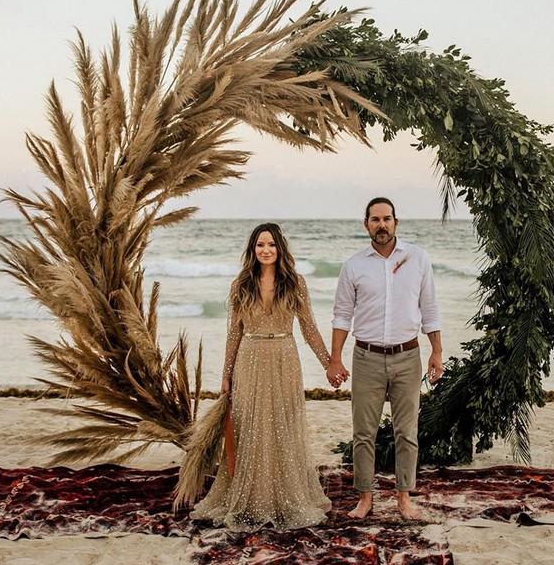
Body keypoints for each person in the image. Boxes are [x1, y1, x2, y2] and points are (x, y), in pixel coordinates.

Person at [190, 223, 332, 532]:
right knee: (250, 427)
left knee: (284, 425)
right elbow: (234, 334)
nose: (265, 250)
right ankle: (254, 497)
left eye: (270, 244)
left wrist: (328, 362)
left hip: (284, 357)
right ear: (253, 250)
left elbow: (308, 328)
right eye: (259, 245)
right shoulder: (240, 284)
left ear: (280, 248)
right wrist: (226, 375)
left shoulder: (296, 283)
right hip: (250, 359)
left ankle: (283, 496)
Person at [326, 197, 443, 520]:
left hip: (408, 356)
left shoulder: (418, 258)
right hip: (367, 358)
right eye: (375, 219)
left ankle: (404, 498)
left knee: (407, 431)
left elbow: (430, 309)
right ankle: (365, 498)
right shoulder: (353, 266)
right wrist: (335, 360)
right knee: (364, 433)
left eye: (387, 219)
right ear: (366, 224)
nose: (382, 225)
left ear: (396, 222)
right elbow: (342, 315)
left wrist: (437, 351)